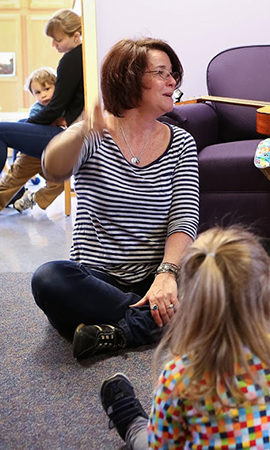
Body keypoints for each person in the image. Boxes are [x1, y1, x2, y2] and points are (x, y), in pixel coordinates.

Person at [31, 38, 199, 359]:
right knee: (50, 279)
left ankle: (115, 331)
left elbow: (184, 217)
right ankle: (156, 322)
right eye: (161, 72)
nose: (172, 81)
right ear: (129, 79)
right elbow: (52, 170)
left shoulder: (181, 142)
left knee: (219, 273)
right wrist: (80, 131)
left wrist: (166, 273)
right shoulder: (94, 134)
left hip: (156, 276)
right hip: (97, 278)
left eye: (173, 73)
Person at [98, 227, 270, 449]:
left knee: (144, 439)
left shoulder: (182, 376)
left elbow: (162, 445)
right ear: (264, 297)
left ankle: (133, 423)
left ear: (190, 303)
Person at [0, 9, 84, 210]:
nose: (53, 45)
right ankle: (16, 186)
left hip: (69, 134)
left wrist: (31, 124)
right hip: (71, 130)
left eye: (57, 40)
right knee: (19, 125)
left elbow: (56, 107)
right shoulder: (82, 56)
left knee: (3, 129)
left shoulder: (71, 59)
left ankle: (17, 186)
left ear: (76, 36)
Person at [10, 67, 67, 212]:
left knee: (59, 184)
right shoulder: (36, 109)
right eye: (38, 93)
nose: (43, 95)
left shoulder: (63, 105)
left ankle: (33, 199)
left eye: (47, 89)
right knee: (13, 179)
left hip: (53, 155)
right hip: (33, 154)